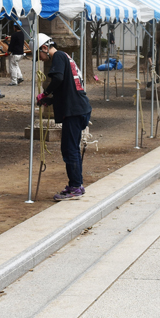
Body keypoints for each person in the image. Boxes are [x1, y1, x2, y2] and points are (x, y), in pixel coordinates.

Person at [36, 33, 92, 201]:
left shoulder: (59, 56)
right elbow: (66, 87)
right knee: (71, 148)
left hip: (74, 111)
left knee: (69, 149)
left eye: (39, 53)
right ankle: (76, 184)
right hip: (77, 107)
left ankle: (76, 186)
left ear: (45, 48)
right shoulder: (66, 57)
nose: (40, 58)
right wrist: (49, 100)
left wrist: (45, 92)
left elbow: (58, 79)